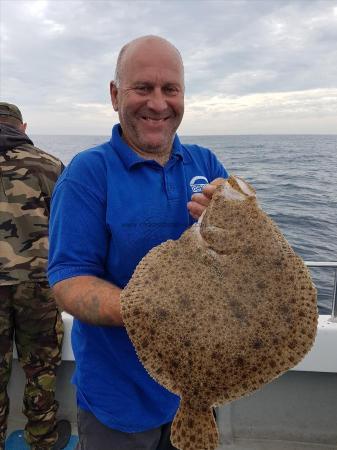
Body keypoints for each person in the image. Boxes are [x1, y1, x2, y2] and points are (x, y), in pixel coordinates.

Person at [48, 35, 229, 450]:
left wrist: (238, 217)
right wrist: (152, 309)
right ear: (115, 95)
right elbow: (68, 280)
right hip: (118, 399)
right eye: (142, 88)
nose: (158, 103)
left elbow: (241, 264)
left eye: (171, 89)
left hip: (199, 384)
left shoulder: (207, 164)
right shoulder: (86, 174)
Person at [0, 103, 71, 450]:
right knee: (40, 366)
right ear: (22, 126)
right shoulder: (48, 164)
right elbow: (72, 227)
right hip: (37, 284)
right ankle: (42, 438)